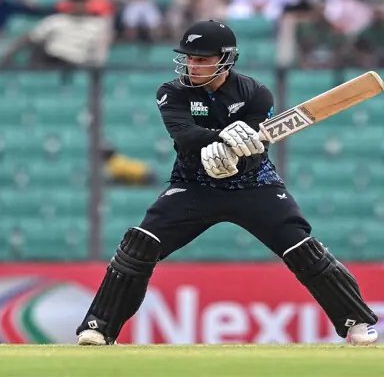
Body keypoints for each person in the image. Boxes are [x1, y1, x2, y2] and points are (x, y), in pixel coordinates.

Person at [75, 20, 378, 346]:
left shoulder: (256, 94)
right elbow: (184, 135)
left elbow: (254, 150)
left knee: (302, 248)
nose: (193, 64)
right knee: (140, 244)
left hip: (254, 185)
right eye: (189, 57)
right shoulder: (172, 91)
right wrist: (220, 137)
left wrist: (235, 157)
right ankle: (100, 327)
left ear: (226, 59)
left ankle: (357, 322)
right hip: (193, 186)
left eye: (202, 59)